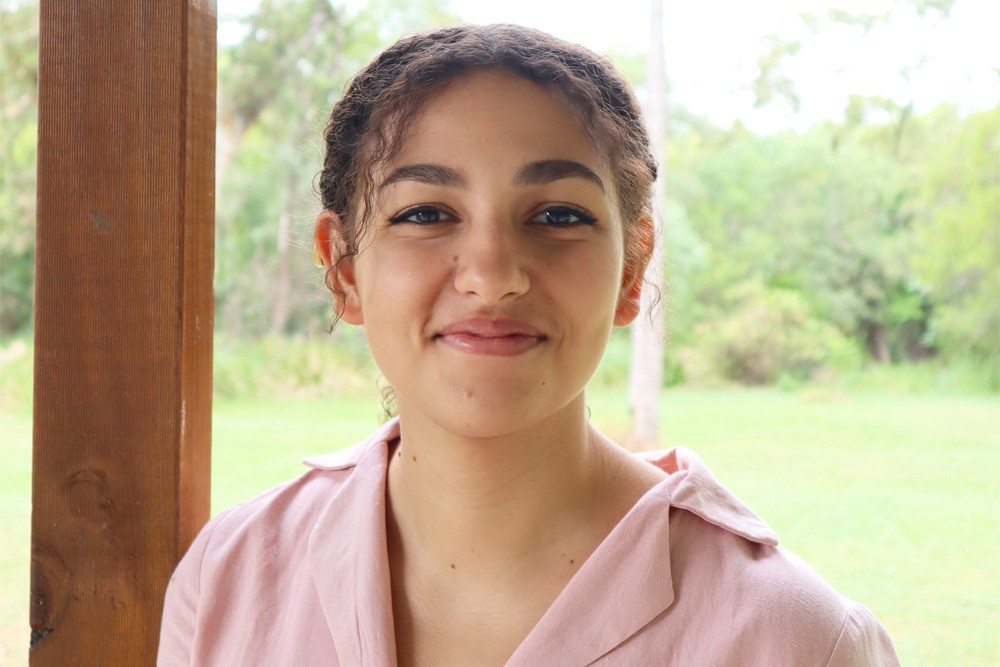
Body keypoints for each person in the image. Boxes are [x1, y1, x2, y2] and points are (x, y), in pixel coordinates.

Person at [157, 24, 900, 666]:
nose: (491, 276)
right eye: (424, 211)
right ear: (344, 266)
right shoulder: (230, 579)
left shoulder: (792, 637)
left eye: (556, 215)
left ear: (633, 268)